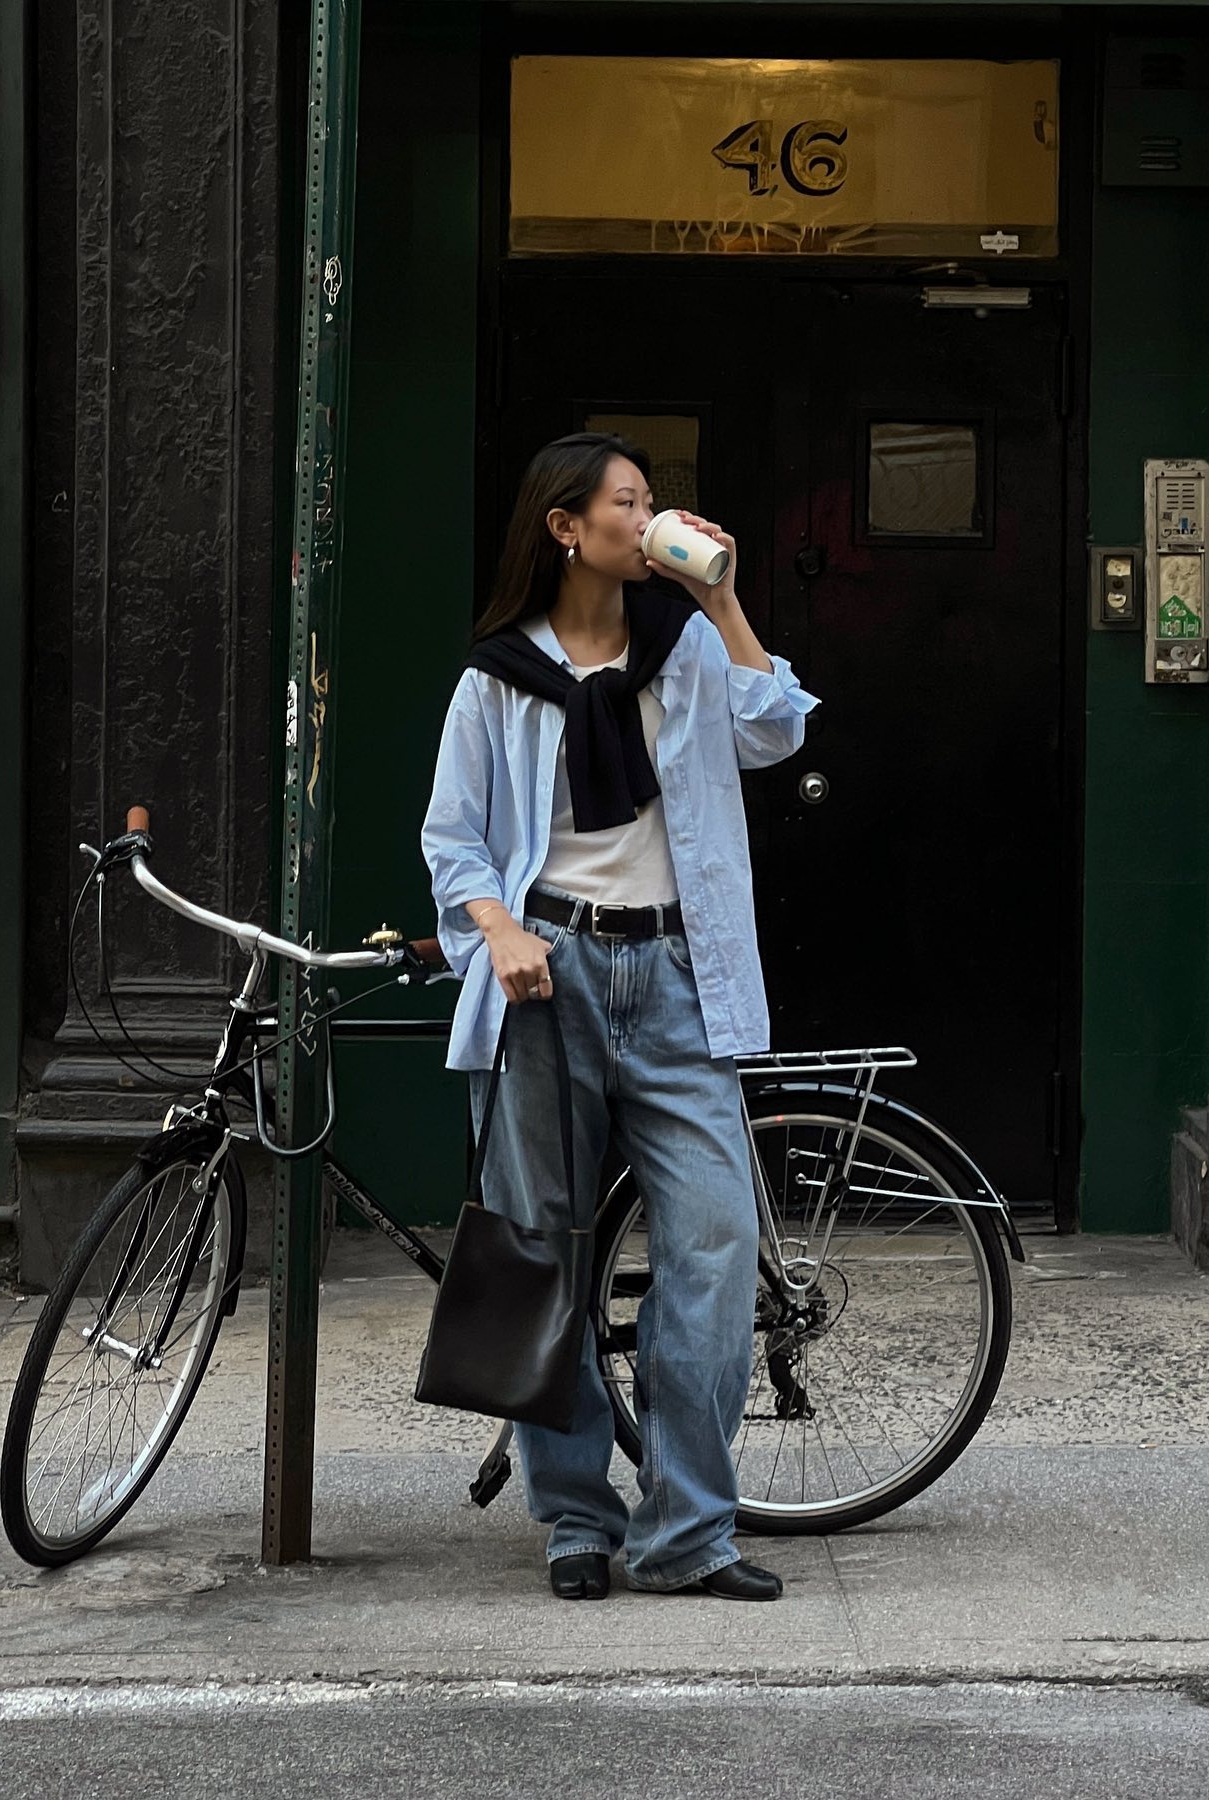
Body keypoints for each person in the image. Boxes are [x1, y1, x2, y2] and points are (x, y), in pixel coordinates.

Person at [421, 432, 819, 1602]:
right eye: (630, 503)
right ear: (567, 526)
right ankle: (576, 1517)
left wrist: (724, 594)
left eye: (653, 504)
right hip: (551, 979)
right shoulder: (498, 677)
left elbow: (776, 728)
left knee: (714, 1238)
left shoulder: (684, 647)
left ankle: (688, 1526)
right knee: (544, 1248)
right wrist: (499, 932)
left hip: (676, 980)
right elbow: (454, 840)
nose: (649, 518)